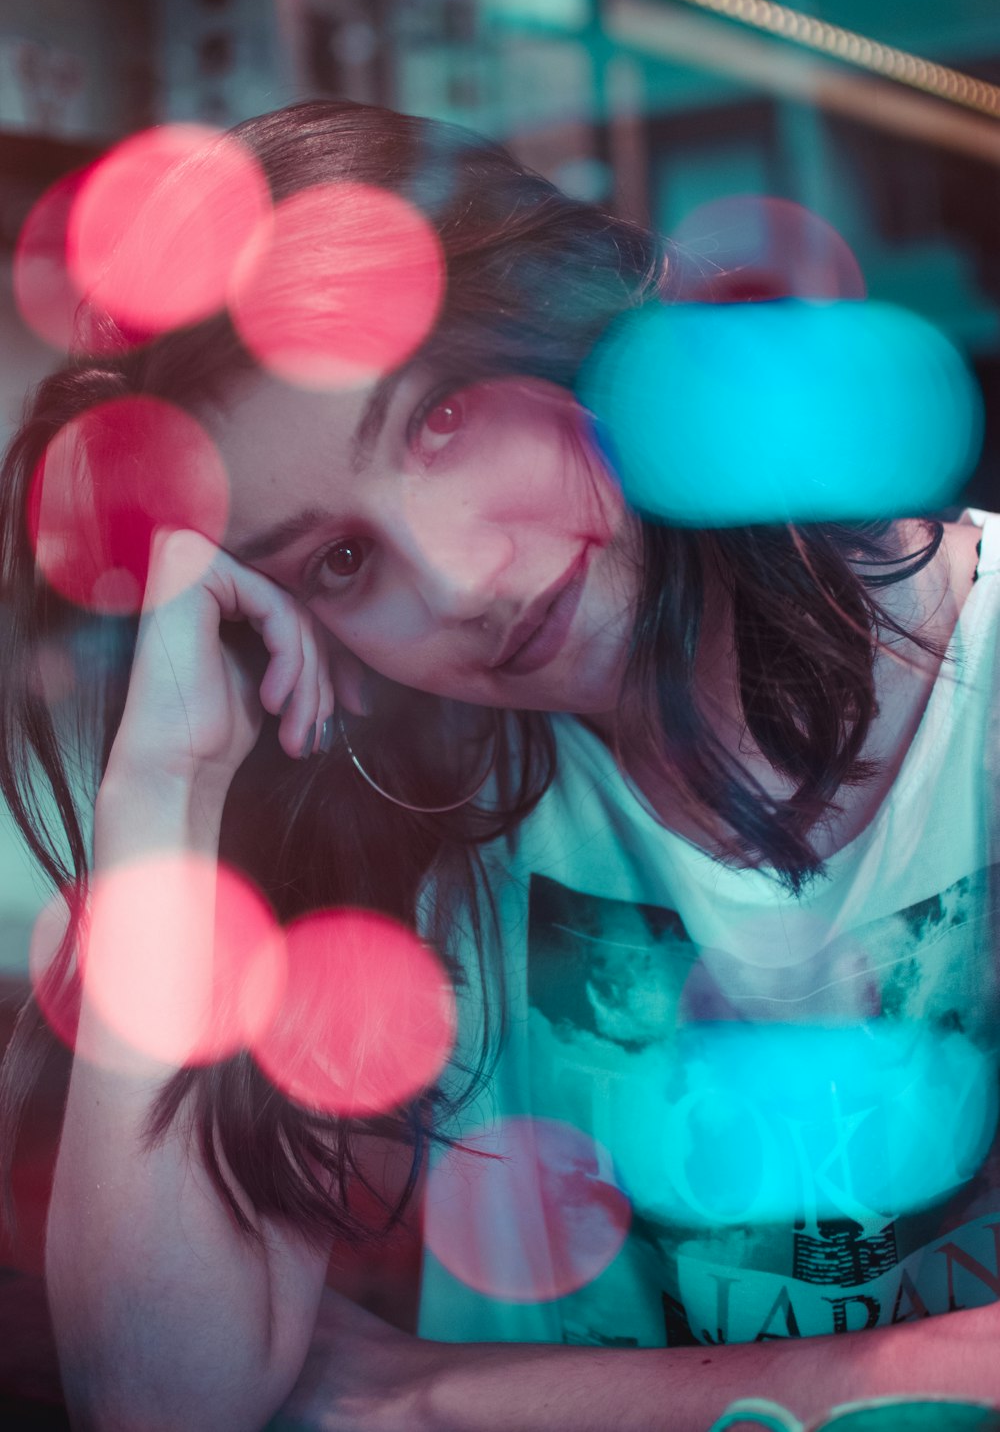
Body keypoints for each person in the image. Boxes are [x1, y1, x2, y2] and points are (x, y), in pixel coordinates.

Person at [0, 98, 998, 1432]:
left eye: (449, 418)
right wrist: (167, 796)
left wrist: (443, 1397)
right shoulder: (421, 814)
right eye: (337, 563)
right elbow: (156, 1396)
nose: (464, 579)